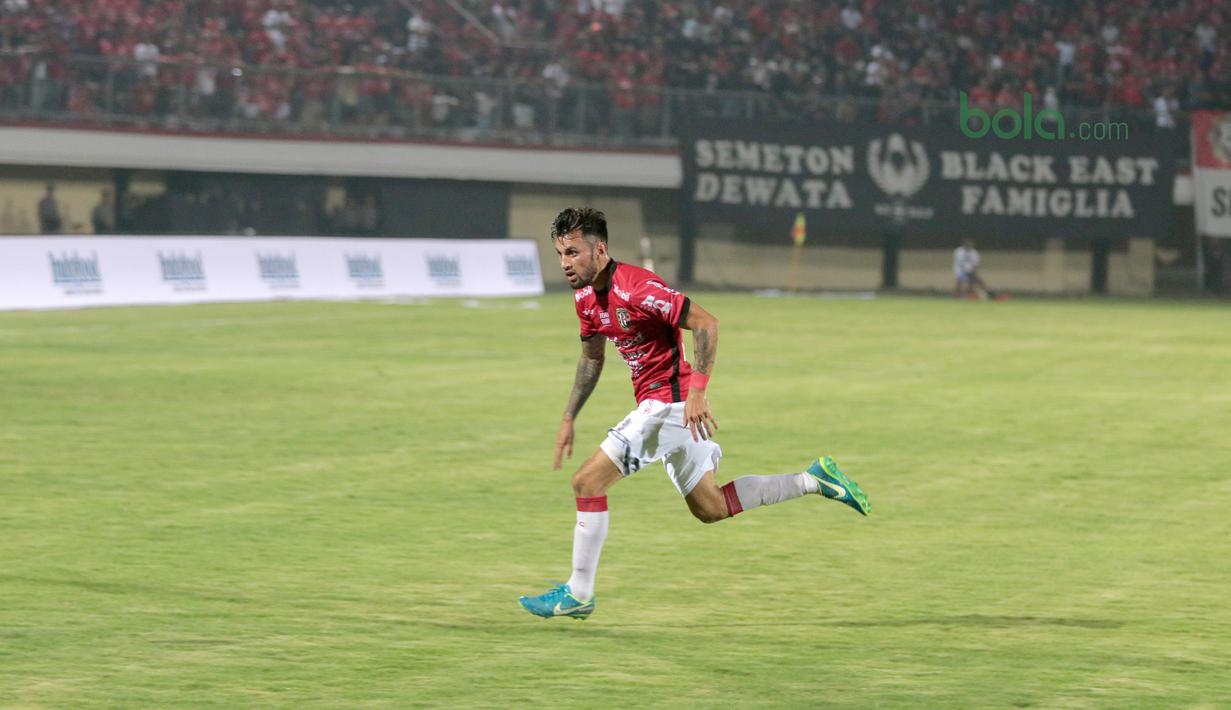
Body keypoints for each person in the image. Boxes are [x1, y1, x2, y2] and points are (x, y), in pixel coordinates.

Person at [519, 208, 871, 621]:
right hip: (668, 408)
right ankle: (814, 479)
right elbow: (591, 357)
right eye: (560, 253)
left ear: (600, 250)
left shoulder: (637, 287)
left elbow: (706, 323)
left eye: (573, 252)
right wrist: (569, 416)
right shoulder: (584, 298)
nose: (564, 263)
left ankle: (579, 592)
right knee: (711, 506)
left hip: (669, 406)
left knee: (587, 481)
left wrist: (698, 392)